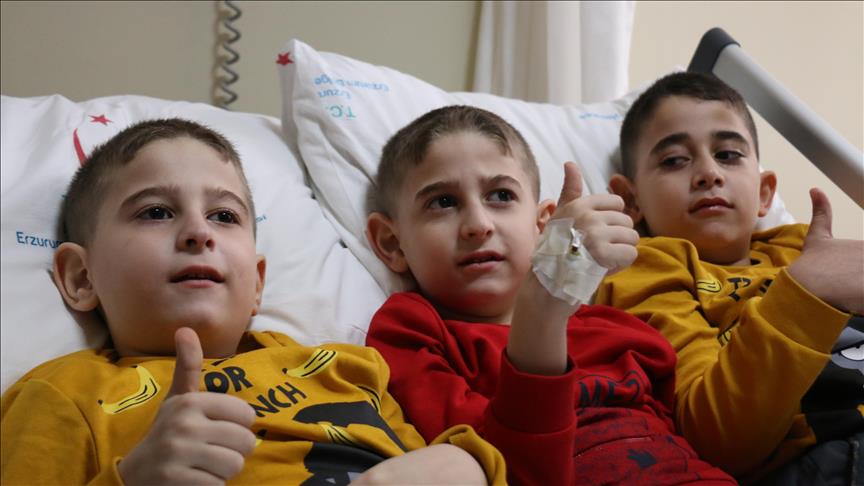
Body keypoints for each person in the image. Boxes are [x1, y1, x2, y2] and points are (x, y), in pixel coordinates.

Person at [0, 118, 507, 486]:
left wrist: (470, 463)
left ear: (258, 284)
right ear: (80, 277)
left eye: (224, 216)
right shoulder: (65, 394)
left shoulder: (348, 367)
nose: (198, 232)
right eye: (155, 212)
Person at [363, 105, 736, 485]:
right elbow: (497, 468)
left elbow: (707, 441)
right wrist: (540, 310)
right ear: (391, 242)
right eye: (443, 202)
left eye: (501, 196)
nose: (478, 225)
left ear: (543, 225)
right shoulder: (412, 330)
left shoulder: (620, 328)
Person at [595, 71, 864, 484]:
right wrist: (803, 297)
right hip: (821, 458)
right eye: (674, 160)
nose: (708, 173)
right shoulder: (646, 269)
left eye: (728, 154)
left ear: (764, 193)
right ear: (630, 200)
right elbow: (717, 437)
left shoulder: (802, 245)